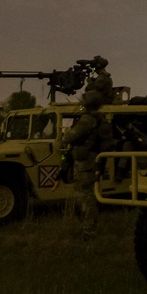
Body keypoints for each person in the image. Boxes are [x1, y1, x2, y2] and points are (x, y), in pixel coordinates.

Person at [61, 90, 112, 241]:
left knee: (86, 199)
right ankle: (88, 229)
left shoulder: (87, 120)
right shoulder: (99, 119)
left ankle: (89, 232)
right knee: (88, 197)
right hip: (91, 162)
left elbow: (69, 137)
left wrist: (66, 134)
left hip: (85, 164)